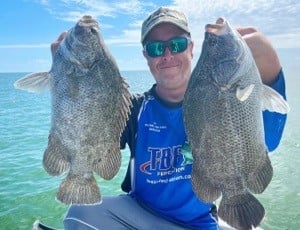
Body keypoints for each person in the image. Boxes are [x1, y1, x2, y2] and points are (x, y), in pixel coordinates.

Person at [51, 7, 287, 230]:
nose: (167, 54)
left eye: (177, 44)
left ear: (191, 48)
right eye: (155, 48)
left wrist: (271, 65)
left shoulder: (222, 105)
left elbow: (270, 139)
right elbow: (88, 123)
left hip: (197, 223)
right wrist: (67, 75)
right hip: (139, 216)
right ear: (146, 56)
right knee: (78, 213)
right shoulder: (135, 109)